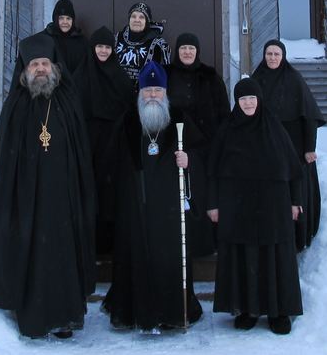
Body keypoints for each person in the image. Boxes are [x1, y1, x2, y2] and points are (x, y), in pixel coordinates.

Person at [0, 32, 96, 339]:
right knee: (32, 257)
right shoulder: (15, 106)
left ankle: (65, 318)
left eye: (44, 63)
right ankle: (33, 319)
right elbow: (4, 165)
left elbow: (79, 154)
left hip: (63, 200)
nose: (40, 69)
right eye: (34, 64)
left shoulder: (68, 101)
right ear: (24, 69)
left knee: (62, 258)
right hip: (27, 201)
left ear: (54, 67)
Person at [101, 61, 203, 331]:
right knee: (135, 258)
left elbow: (202, 154)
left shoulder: (179, 119)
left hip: (169, 210)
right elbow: (112, 163)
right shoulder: (128, 122)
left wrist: (188, 159)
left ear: (165, 93)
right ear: (140, 93)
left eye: (158, 90)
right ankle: (134, 312)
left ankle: (171, 313)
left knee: (168, 261)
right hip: (136, 207)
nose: (153, 96)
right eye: (148, 91)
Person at [208, 77, 304, 335]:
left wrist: (295, 202)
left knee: (275, 257)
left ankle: (278, 312)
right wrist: (213, 205)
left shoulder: (274, 129)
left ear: (259, 100)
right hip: (238, 207)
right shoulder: (227, 131)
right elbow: (213, 171)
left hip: (273, 207)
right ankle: (248, 309)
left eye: (252, 98)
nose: (248, 103)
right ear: (236, 102)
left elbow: (294, 170)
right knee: (245, 256)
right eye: (243, 99)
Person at [251, 39, 327, 251]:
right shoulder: (258, 80)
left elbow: (309, 115)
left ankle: (296, 239)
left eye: (276, 54)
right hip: (266, 146)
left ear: (283, 56)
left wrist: (310, 148)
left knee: (294, 192)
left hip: (294, 146)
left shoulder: (294, 79)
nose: (272, 58)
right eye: (269, 54)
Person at [165, 31, 230, 258]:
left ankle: (201, 247)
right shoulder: (167, 74)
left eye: (191, 48)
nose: (187, 52)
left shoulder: (210, 77)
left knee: (200, 196)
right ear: (177, 51)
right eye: (183, 48)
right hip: (173, 146)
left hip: (205, 147)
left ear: (197, 51)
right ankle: (175, 246)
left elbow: (223, 112)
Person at [73, 25, 134, 254]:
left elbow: (128, 107)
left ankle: (111, 245)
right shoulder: (80, 76)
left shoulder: (119, 75)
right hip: (88, 145)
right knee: (90, 195)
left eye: (107, 47)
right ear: (92, 48)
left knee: (112, 196)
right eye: (99, 46)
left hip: (114, 145)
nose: (103, 51)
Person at [115, 1, 170, 86]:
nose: (137, 20)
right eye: (133, 16)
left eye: (141, 17)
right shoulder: (117, 37)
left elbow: (166, 74)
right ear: (129, 19)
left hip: (144, 95)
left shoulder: (159, 44)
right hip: (116, 92)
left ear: (147, 21)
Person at [43, 0, 89, 74]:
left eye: (68, 18)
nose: (65, 22)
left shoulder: (82, 41)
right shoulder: (45, 39)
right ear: (55, 19)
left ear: (73, 20)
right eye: (61, 18)